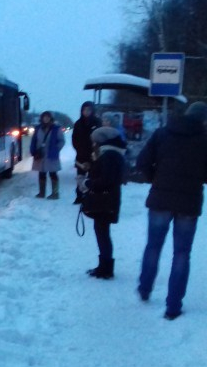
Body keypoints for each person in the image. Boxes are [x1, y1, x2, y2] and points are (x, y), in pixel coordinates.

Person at [135, 101, 207, 320]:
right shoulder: (204, 140)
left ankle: (145, 289)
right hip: (188, 203)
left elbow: (142, 161)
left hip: (160, 199)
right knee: (182, 253)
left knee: (153, 246)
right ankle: (173, 306)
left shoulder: (163, 133)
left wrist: (154, 179)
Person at [80, 127, 127, 279]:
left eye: (95, 140)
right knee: (102, 233)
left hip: (105, 202)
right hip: (107, 201)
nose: (93, 143)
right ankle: (104, 266)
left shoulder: (110, 155)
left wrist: (88, 183)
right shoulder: (112, 154)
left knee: (102, 233)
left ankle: (106, 269)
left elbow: (107, 179)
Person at [30, 111, 65, 199]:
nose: (46, 119)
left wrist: (56, 149)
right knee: (41, 173)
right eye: (44, 117)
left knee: (53, 174)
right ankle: (41, 193)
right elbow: (34, 140)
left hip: (51, 155)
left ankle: (55, 193)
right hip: (40, 154)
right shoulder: (38, 128)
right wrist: (33, 150)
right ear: (41, 118)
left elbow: (61, 141)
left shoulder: (56, 129)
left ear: (51, 118)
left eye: (47, 117)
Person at [72, 101, 101, 204]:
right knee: (80, 177)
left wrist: (95, 151)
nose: (86, 112)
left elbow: (100, 139)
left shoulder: (97, 122)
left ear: (92, 111)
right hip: (81, 155)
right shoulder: (78, 123)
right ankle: (79, 196)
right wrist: (79, 149)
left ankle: (91, 196)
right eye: (84, 110)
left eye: (88, 110)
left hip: (94, 155)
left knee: (93, 177)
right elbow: (74, 139)